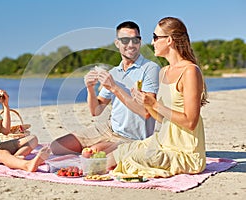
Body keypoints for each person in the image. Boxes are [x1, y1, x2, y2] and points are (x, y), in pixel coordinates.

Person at [107, 17, 209, 178]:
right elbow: (162, 119)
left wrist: (155, 105)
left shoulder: (190, 71)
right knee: (116, 155)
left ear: (169, 40)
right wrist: (146, 103)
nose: (152, 42)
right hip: (162, 142)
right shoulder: (163, 72)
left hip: (186, 152)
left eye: (155, 37)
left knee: (135, 158)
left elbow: (190, 122)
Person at [50, 21, 160, 155]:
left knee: (93, 152)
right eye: (125, 40)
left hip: (132, 138)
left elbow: (146, 112)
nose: (131, 45)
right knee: (57, 147)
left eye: (135, 40)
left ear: (140, 41)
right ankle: (98, 150)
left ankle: (100, 150)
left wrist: (114, 87)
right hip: (108, 129)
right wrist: (90, 88)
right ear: (117, 43)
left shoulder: (150, 69)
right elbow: (96, 111)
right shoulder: (114, 72)